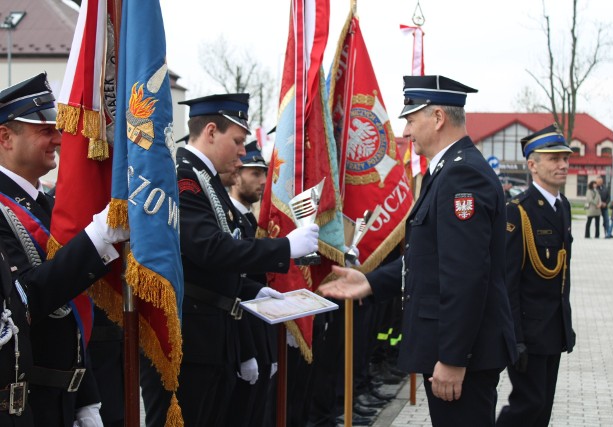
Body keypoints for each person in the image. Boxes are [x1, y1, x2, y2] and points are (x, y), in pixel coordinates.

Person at [319, 75, 517, 427]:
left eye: (411, 120)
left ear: (438, 118)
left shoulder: (462, 176)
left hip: (459, 357)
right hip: (455, 350)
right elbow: (431, 260)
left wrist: (454, 358)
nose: (406, 132)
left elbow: (465, 277)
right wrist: (371, 282)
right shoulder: (447, 171)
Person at [172, 93, 319, 426]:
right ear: (211, 132)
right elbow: (210, 249)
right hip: (196, 335)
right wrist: (284, 248)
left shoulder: (203, 179)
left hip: (216, 332)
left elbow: (214, 262)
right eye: (238, 141)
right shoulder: (184, 179)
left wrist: (250, 291)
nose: (243, 151)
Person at [0, 73, 129, 426]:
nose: (59, 138)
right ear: (5, 137)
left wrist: (85, 398)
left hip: (62, 394)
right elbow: (25, 297)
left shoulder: (45, 204)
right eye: (45, 130)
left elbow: (72, 313)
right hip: (24, 400)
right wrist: (97, 238)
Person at [496, 124, 576, 427]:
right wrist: (514, 338)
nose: (563, 165)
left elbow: (562, 276)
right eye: (553, 159)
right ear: (532, 165)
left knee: (542, 410)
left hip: (553, 329)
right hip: (527, 332)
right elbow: (508, 282)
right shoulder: (519, 211)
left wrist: (565, 327)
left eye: (565, 159)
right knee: (528, 405)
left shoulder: (562, 206)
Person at [224, 141, 279, 427]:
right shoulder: (230, 221)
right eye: (255, 173)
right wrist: (249, 352)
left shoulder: (247, 220)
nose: (262, 181)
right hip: (241, 336)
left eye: (264, 174)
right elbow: (236, 287)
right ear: (236, 175)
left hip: (259, 336)